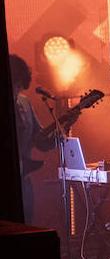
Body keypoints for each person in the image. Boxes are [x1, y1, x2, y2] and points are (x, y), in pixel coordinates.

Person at [10, 55, 56, 224]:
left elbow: (41, 142)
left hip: (24, 182)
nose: (16, 91)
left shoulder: (25, 103)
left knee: (26, 223)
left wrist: (62, 127)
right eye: (14, 85)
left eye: (19, 86)